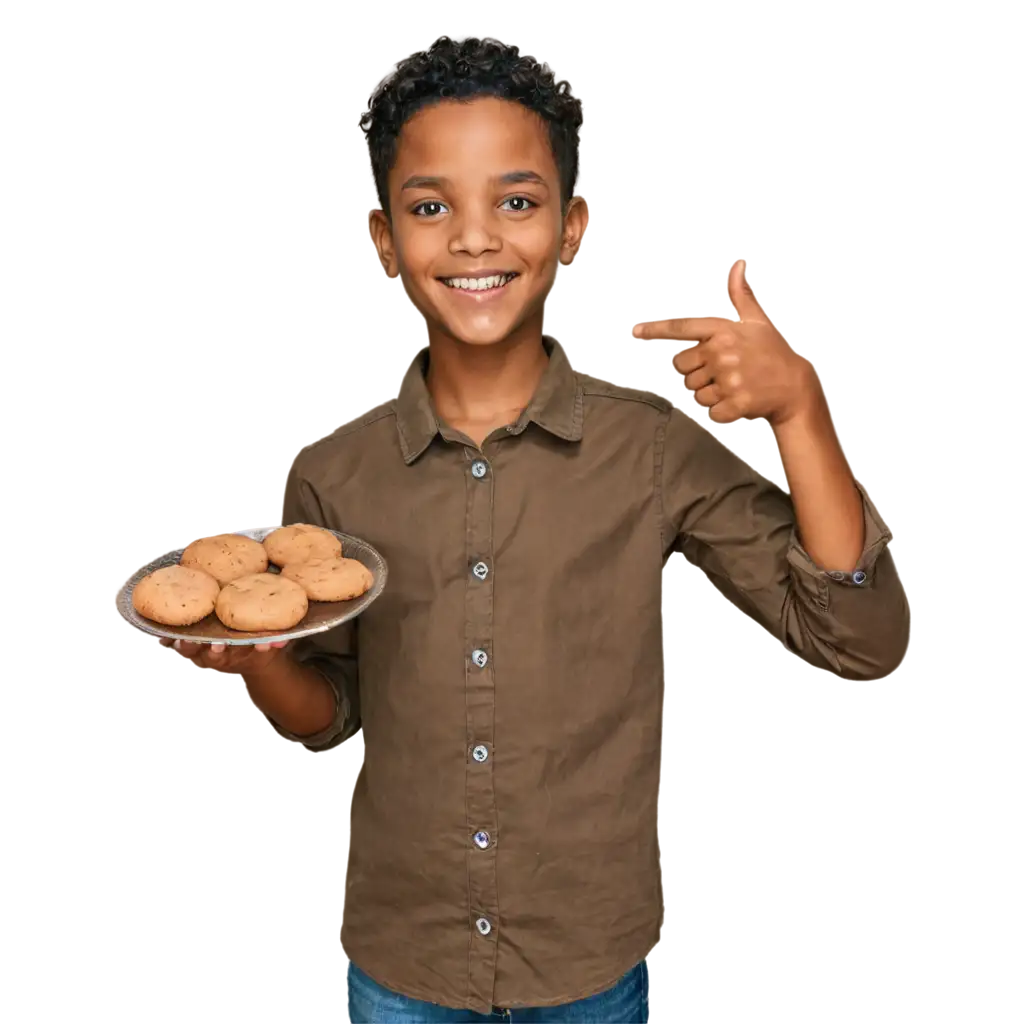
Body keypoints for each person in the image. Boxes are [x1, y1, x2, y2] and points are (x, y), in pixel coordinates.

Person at [163, 33, 906, 1024]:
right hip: (402, 965)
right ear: (384, 237)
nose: (476, 239)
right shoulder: (329, 474)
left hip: (587, 965)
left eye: (516, 201)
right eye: (432, 207)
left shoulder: (645, 450)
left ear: (570, 227)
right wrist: (253, 659)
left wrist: (798, 410)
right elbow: (337, 718)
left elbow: (856, 634)